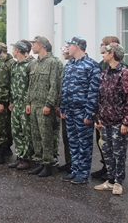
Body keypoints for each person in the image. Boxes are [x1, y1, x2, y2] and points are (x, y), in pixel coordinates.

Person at [94, 43, 128, 195]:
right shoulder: (105, 73)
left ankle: (118, 182)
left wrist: (126, 121)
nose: (102, 54)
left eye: (105, 52)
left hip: (118, 122)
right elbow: (100, 97)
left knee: (119, 153)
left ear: (112, 53)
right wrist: (98, 118)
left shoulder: (124, 73)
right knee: (107, 152)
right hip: (105, 121)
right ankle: (111, 180)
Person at [60, 36, 101, 185]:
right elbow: (64, 89)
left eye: (69, 45)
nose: (67, 48)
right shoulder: (70, 65)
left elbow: (93, 92)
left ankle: (83, 173)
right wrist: (63, 107)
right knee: (73, 142)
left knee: (84, 144)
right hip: (70, 110)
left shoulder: (91, 66)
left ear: (77, 47)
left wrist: (90, 113)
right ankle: (75, 170)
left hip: (82, 111)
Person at [25, 36, 63, 178]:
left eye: (33, 44)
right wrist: (28, 102)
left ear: (41, 45)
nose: (32, 46)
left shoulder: (53, 62)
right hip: (34, 104)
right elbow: (30, 85)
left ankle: (48, 163)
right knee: (36, 135)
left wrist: (49, 104)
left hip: (44, 106)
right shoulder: (34, 64)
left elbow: (55, 85)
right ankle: (40, 161)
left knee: (46, 135)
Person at [92, 36, 123, 181]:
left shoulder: (122, 69)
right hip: (103, 115)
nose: (101, 48)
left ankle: (115, 177)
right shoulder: (102, 66)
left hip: (115, 117)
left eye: (103, 45)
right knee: (103, 144)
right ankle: (106, 168)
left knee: (115, 148)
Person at [8, 41, 34, 170]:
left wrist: (29, 103)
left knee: (26, 131)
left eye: (13, 49)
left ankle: (27, 158)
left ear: (18, 50)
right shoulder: (15, 65)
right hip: (16, 103)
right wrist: (11, 101)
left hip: (25, 104)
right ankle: (19, 156)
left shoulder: (30, 65)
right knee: (16, 130)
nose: (12, 51)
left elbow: (32, 86)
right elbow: (12, 85)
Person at [56, 44, 73, 173]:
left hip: (75, 110)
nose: (63, 53)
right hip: (65, 108)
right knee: (66, 137)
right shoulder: (67, 66)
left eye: (64, 51)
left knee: (74, 140)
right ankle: (69, 162)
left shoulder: (79, 66)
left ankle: (75, 165)